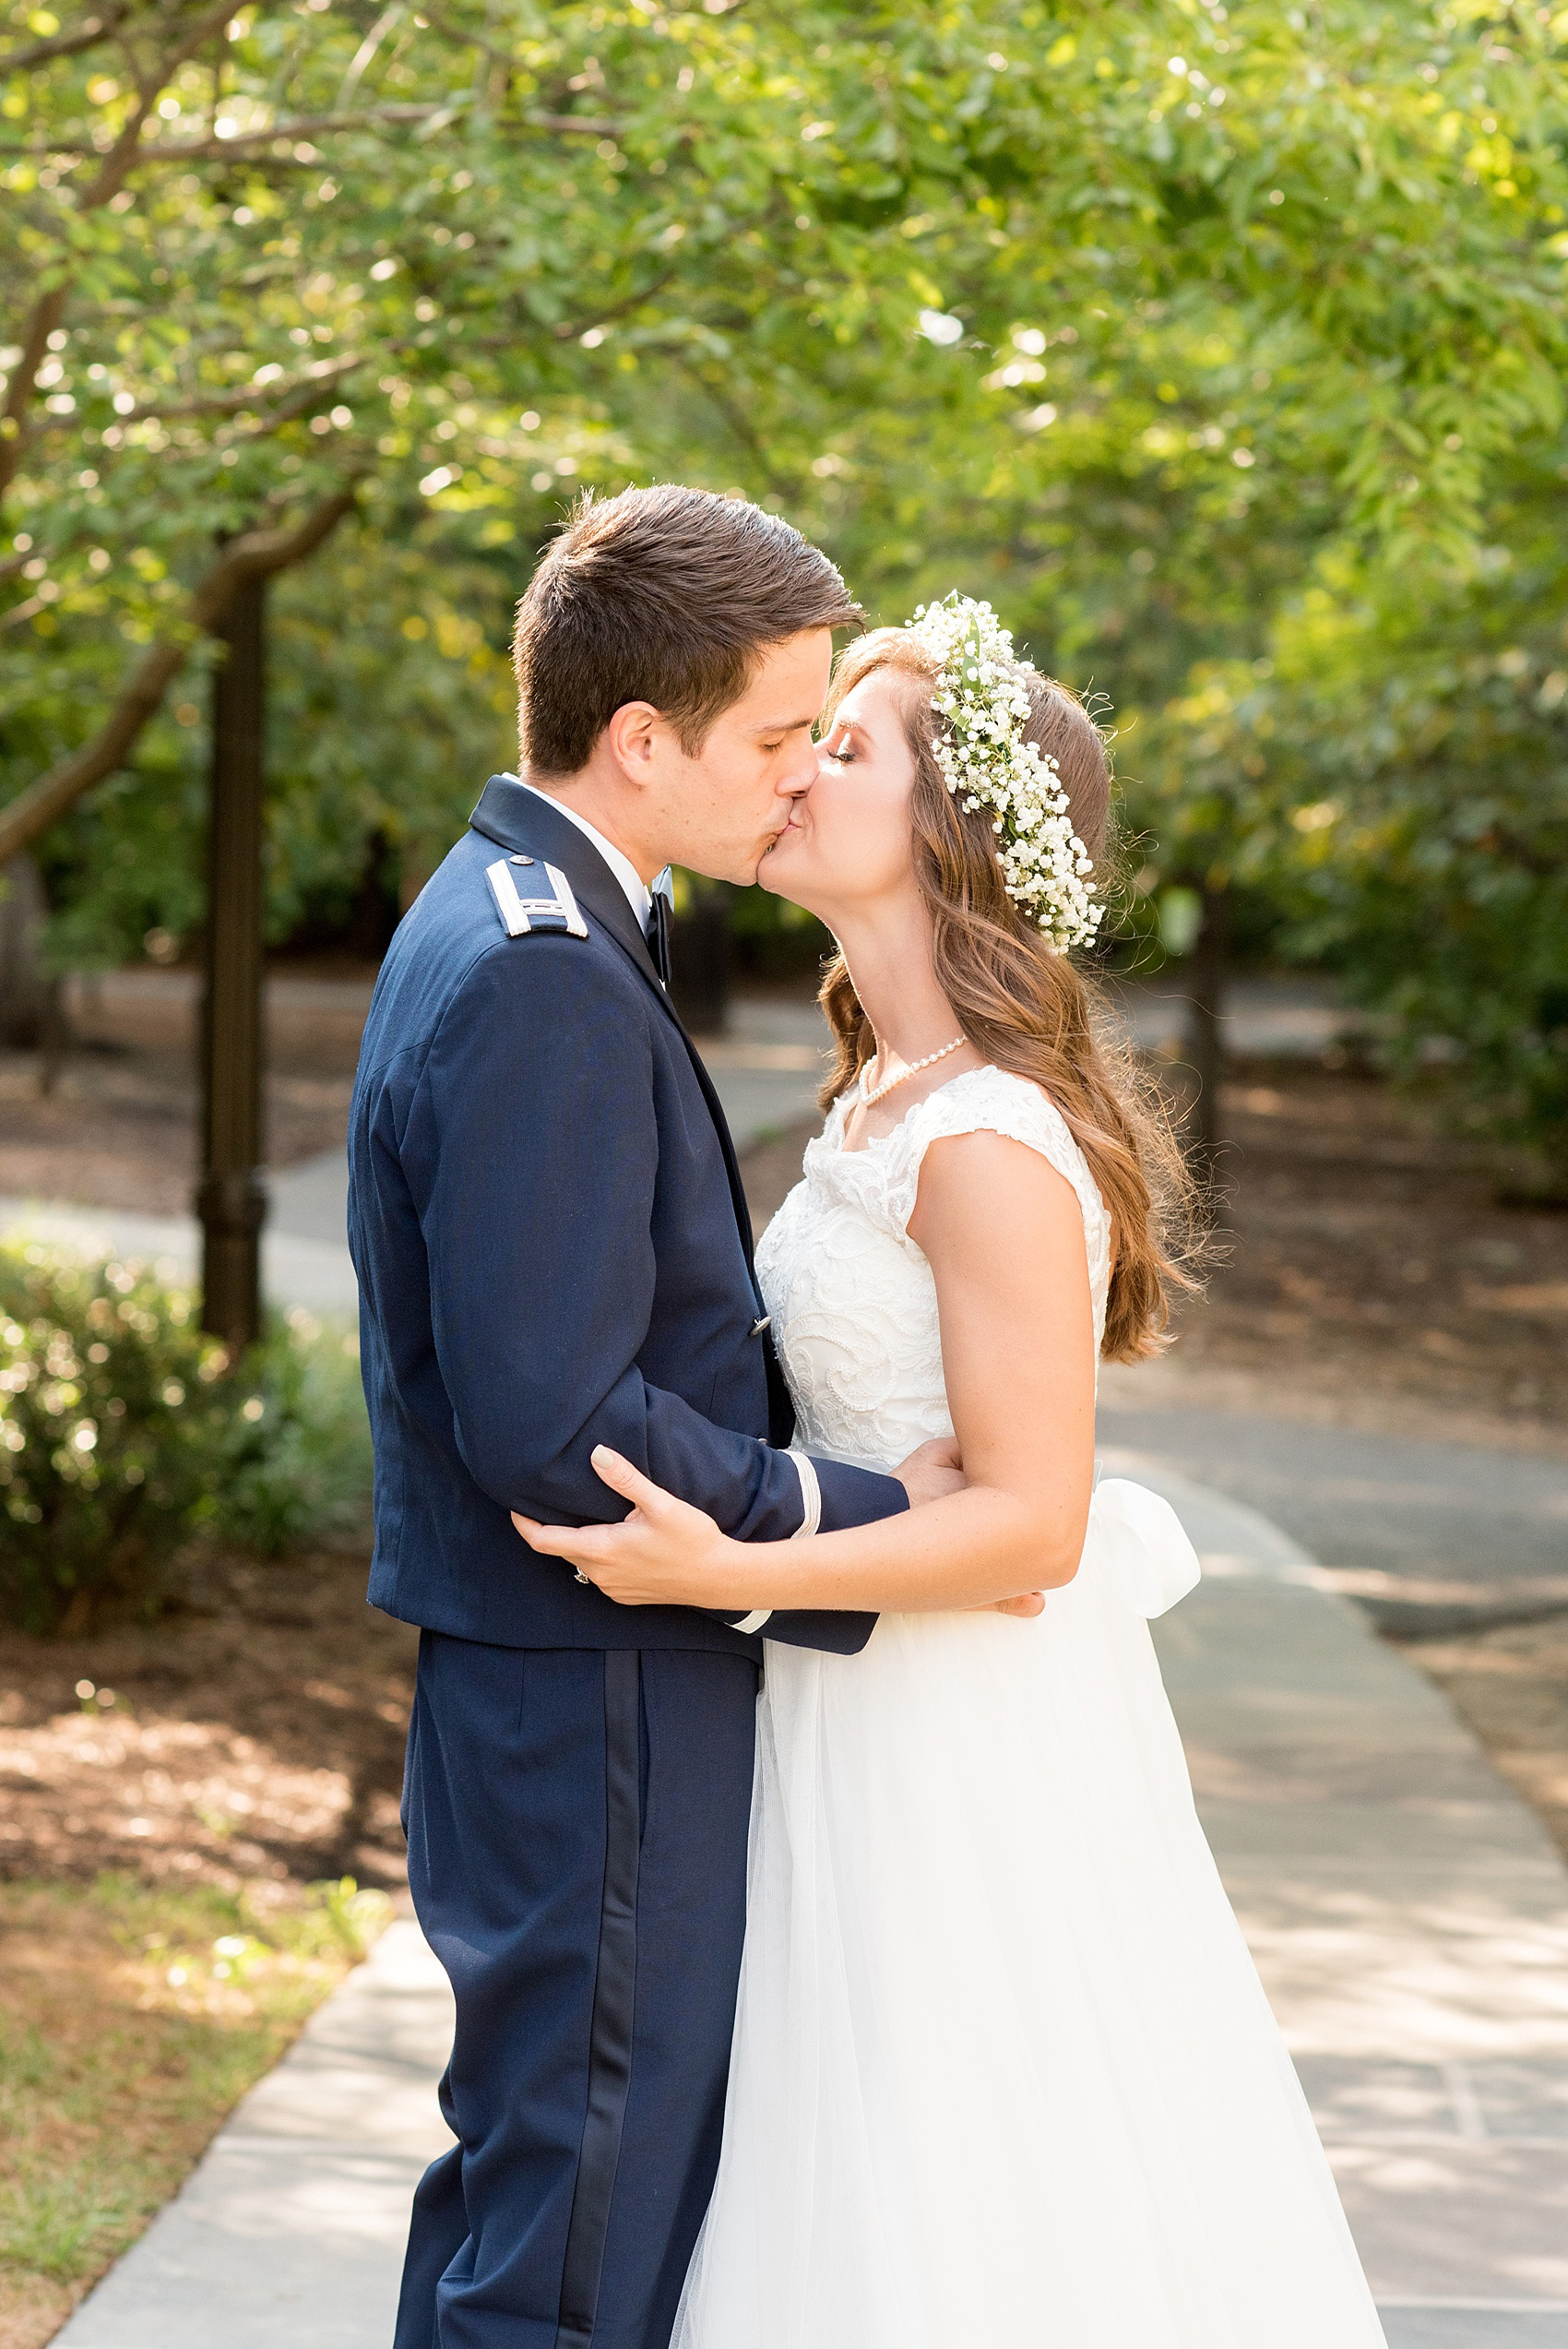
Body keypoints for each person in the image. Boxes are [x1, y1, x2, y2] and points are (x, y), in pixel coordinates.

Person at [517, 596, 1391, 2346]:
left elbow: (1036, 1523)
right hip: (843, 1691)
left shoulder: (985, 1134)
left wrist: (728, 1564)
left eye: (839, 745)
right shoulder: (876, 1097)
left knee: (958, 2175)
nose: (794, 767)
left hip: (956, 1733)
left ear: (946, 829)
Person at [348, 489, 1002, 2349]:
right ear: (645, 740)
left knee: (533, 2196)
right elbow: (562, 1422)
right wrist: (847, 1505)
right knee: (574, 2245)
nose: (798, 777)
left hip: (546, 1692)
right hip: (594, 1690)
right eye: (780, 735)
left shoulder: (513, 910)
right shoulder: (546, 971)